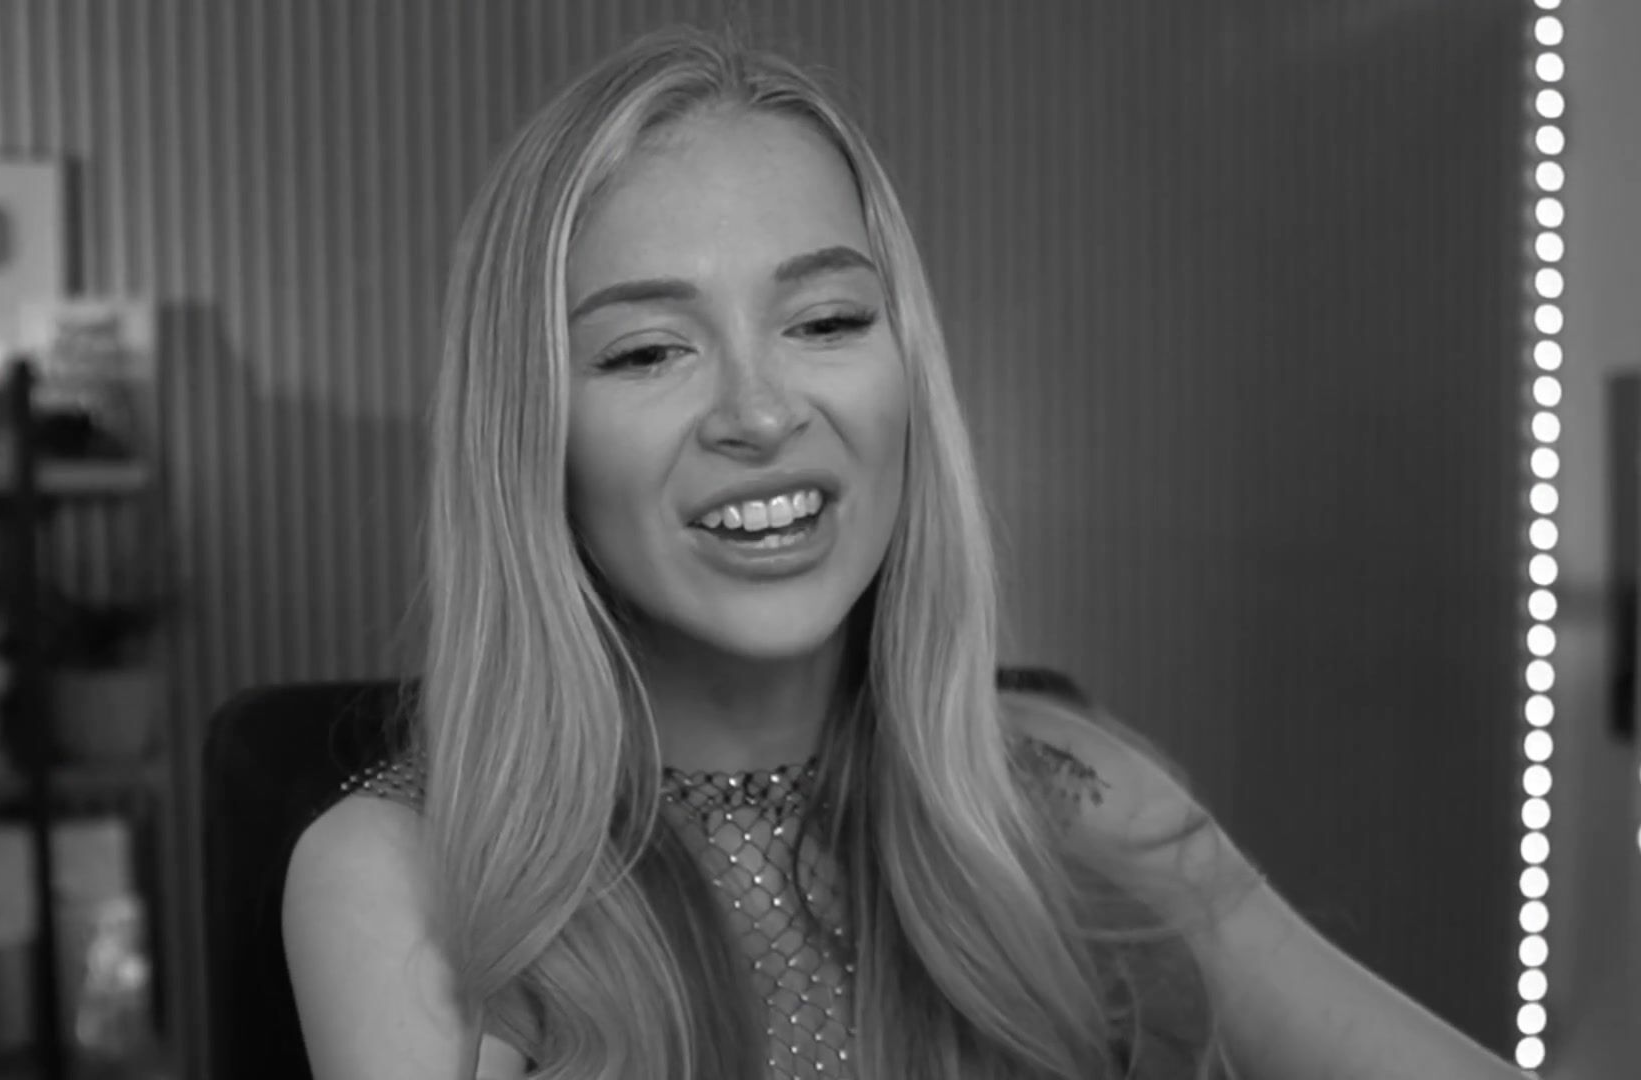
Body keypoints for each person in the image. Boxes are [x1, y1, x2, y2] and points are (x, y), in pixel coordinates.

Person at [283, 24, 1526, 1080]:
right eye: (649, 350)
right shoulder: (403, 879)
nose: (760, 413)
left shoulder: (1067, 793)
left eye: (826, 320)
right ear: (531, 434)